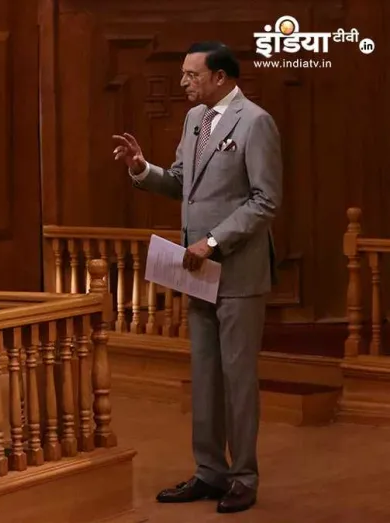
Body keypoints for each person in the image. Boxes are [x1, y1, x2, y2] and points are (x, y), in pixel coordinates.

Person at [112, 41, 282, 514]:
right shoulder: (194, 120)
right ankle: (210, 472)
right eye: (184, 74)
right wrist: (142, 169)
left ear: (220, 77)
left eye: (192, 75)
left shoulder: (255, 122)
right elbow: (182, 181)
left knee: (237, 380)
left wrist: (213, 241)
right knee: (205, 377)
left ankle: (243, 477)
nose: (184, 82)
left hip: (238, 271)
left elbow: (265, 200)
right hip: (197, 271)